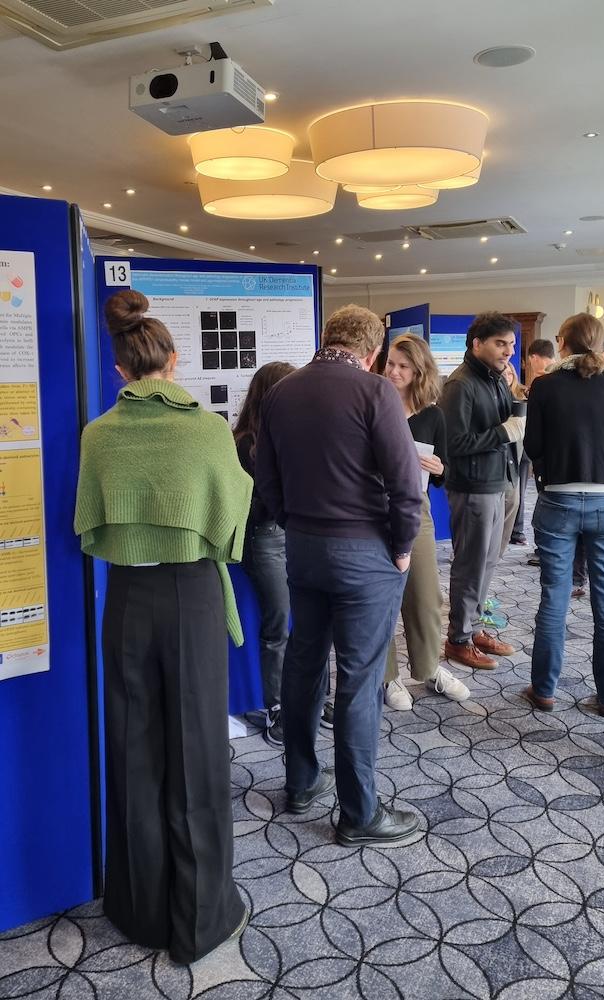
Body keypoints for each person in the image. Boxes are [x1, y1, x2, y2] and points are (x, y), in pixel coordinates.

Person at [74, 290, 253, 965]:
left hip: (126, 596)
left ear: (120, 369)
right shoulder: (204, 428)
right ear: (173, 362)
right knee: (198, 754)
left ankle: (139, 908)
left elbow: (88, 526)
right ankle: (203, 918)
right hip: (191, 593)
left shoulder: (98, 433)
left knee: (133, 749)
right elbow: (234, 513)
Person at [256, 304, 423, 847]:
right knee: (359, 680)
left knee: (303, 663)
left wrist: (294, 524)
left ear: (328, 337)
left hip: (302, 550)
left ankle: (301, 784)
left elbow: (266, 477)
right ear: (372, 352)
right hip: (364, 556)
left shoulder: (282, 391)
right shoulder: (376, 393)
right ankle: (359, 813)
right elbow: (404, 484)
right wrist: (402, 548)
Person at [523, 313, 604, 717]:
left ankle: (544, 691)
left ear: (564, 344)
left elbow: (532, 448)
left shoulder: (543, 386)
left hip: (557, 501)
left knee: (553, 600)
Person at [383, 335, 470, 711]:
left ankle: (428, 667)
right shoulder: (374, 404)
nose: (394, 372)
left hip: (416, 508)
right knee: (380, 598)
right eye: (390, 363)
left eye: (403, 366)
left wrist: (438, 468)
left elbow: (442, 474)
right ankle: (387, 676)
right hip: (371, 508)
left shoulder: (433, 415)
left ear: (419, 372)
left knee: (425, 595)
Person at [439, 312, 520, 670]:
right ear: (477, 344)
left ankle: (473, 628)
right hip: (473, 486)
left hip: (499, 479)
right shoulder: (461, 383)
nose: (508, 352)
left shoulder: (495, 378)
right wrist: (505, 433)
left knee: (487, 563)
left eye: (512, 345)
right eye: (500, 344)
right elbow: (453, 443)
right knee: (471, 564)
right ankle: (458, 639)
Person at [234, 362, 295, 746]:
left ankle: (311, 698)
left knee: (307, 622)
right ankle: (276, 707)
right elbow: (249, 507)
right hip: (265, 539)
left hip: (296, 535)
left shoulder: (295, 432)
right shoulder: (244, 442)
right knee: (279, 624)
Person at [571, 333, 604, 598]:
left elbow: (534, 445)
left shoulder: (546, 384)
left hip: (559, 491)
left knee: (554, 593)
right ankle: (580, 578)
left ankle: (577, 580)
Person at [512, 339, 556, 548]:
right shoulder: (562, 378)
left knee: (546, 502)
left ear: (533, 358)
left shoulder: (545, 381)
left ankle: (544, 547)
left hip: (543, 454)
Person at [500, 361, 528, 556]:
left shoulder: (521, 400)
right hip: (497, 459)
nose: (507, 377)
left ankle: (499, 549)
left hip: (517, 458)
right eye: (504, 374)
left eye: (510, 374)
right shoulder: (493, 399)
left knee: (514, 502)